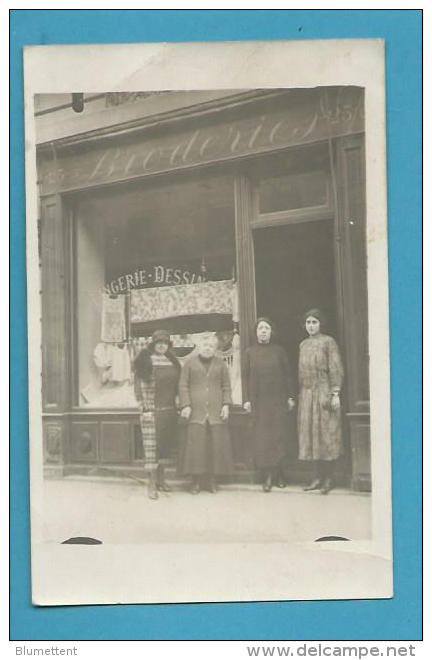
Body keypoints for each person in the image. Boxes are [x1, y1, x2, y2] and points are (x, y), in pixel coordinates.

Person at [243, 318, 295, 492]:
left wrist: (290, 397)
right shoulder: (249, 352)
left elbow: (288, 375)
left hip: (278, 401)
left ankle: (280, 473)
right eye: (260, 328)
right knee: (263, 438)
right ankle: (268, 476)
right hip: (259, 402)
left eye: (266, 328)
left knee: (279, 436)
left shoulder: (279, 351)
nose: (263, 331)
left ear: (272, 331)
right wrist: (247, 400)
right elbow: (245, 378)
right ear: (256, 332)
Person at [178, 333, 234, 494]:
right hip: (196, 411)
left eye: (211, 346)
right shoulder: (189, 363)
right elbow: (183, 386)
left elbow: (226, 386)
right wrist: (186, 405)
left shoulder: (221, 364)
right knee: (196, 447)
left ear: (215, 349)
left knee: (213, 447)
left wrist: (226, 405)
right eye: (205, 345)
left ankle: (211, 481)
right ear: (199, 347)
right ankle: (195, 481)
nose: (208, 348)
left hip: (216, 411)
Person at [297, 309, 344, 495]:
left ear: (320, 324)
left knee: (327, 434)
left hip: (324, 392)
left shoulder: (329, 342)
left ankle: (329, 478)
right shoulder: (303, 344)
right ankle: (316, 477)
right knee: (311, 435)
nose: (311, 325)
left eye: (314, 322)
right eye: (308, 322)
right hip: (307, 395)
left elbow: (335, 367)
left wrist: (335, 393)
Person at [134, 329, 181, 500]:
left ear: (169, 345)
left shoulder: (172, 361)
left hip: (168, 411)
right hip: (151, 410)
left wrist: (177, 401)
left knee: (163, 448)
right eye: (159, 343)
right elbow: (138, 386)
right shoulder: (145, 361)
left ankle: (161, 480)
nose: (162, 346)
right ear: (153, 344)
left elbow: (177, 386)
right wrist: (143, 407)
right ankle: (151, 484)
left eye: (165, 343)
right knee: (151, 448)